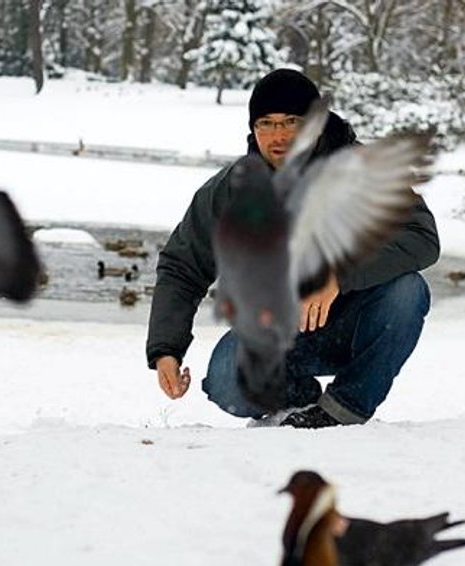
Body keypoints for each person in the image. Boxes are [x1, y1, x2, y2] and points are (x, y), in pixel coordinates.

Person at [145, 69, 440, 428]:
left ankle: (344, 408)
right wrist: (166, 349)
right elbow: (182, 265)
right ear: (253, 129)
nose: (279, 136)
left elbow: (421, 237)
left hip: (358, 321)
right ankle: (300, 398)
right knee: (226, 378)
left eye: (291, 122)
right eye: (266, 123)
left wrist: (339, 276)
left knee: (408, 292)